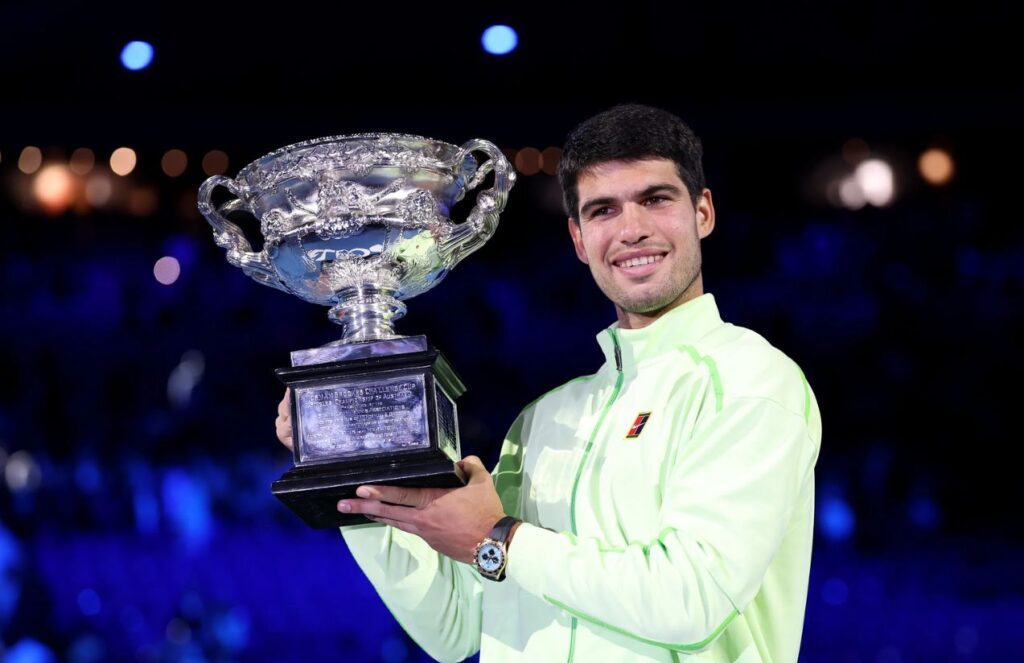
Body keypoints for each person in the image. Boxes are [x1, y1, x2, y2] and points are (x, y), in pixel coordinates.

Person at [275, 103, 822, 662]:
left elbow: (692, 598)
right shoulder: (543, 420)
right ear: (579, 239)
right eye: (603, 210)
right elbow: (455, 628)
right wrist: (356, 477)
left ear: (702, 212)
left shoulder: (750, 380)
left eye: (655, 199)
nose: (631, 229)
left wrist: (500, 538)